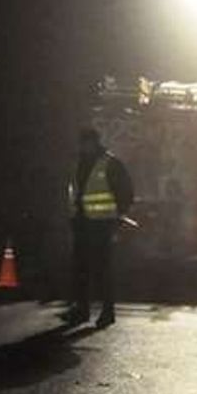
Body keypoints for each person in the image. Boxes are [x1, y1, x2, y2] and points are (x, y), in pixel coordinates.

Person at [63, 127, 134, 327]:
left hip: (101, 225)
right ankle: (82, 310)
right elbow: (75, 193)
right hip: (82, 223)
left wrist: (118, 217)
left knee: (102, 270)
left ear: (94, 142)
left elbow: (126, 192)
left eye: (85, 142)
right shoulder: (78, 163)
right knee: (81, 269)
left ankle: (107, 312)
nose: (82, 147)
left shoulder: (110, 164)